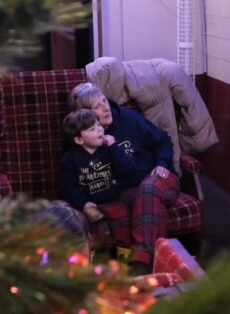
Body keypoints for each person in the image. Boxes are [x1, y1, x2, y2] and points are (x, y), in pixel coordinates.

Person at [67, 82, 180, 274]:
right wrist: (85, 202)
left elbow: (164, 141)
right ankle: (156, 272)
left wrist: (162, 163)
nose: (105, 108)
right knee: (150, 209)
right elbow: (73, 178)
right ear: (85, 115)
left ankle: (141, 262)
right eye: (97, 106)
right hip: (130, 190)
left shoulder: (129, 119)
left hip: (159, 176)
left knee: (148, 189)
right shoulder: (87, 139)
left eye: (104, 101)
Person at [58, 109, 135, 247]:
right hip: (89, 204)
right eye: (92, 129)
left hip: (113, 199)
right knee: (95, 227)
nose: (100, 130)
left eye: (99, 125)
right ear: (79, 139)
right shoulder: (70, 159)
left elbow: (129, 168)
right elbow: (68, 187)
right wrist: (83, 203)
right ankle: (95, 263)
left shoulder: (109, 149)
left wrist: (114, 146)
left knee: (122, 221)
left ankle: (124, 261)